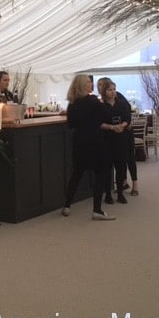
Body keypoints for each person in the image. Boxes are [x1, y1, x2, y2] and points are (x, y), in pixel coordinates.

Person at [61, 74, 115, 221]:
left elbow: (70, 124)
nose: (91, 84)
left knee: (77, 173)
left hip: (79, 141)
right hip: (95, 140)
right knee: (100, 174)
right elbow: (106, 116)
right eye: (88, 82)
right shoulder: (93, 101)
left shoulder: (72, 103)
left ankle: (67, 206)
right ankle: (97, 210)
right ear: (82, 85)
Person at [97, 77, 139, 196]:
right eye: (98, 85)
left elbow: (127, 112)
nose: (99, 87)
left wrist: (124, 124)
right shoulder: (101, 102)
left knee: (129, 158)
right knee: (119, 161)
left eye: (102, 84)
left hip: (126, 132)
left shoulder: (118, 96)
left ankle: (135, 185)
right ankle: (123, 183)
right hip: (113, 135)